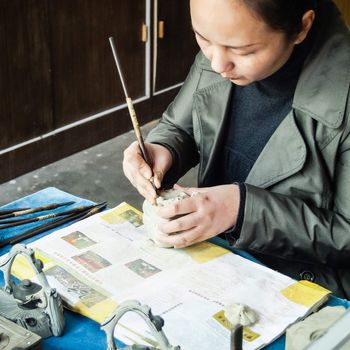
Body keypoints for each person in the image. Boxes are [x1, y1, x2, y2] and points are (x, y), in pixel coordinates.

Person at [123, 0, 350, 299]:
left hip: (302, 289)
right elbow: (180, 127)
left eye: (244, 51)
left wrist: (240, 210)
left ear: (302, 27)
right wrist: (163, 149)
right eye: (202, 38)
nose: (217, 65)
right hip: (217, 261)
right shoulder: (225, 42)